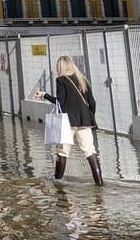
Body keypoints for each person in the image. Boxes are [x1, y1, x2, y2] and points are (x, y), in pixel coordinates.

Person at [35, 55, 102, 186]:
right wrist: (89, 118)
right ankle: (99, 183)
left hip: (68, 122)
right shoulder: (83, 80)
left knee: (62, 151)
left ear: (61, 67)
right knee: (90, 151)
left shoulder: (61, 80)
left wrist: (45, 95)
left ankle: (57, 182)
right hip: (85, 121)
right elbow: (92, 103)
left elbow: (61, 103)